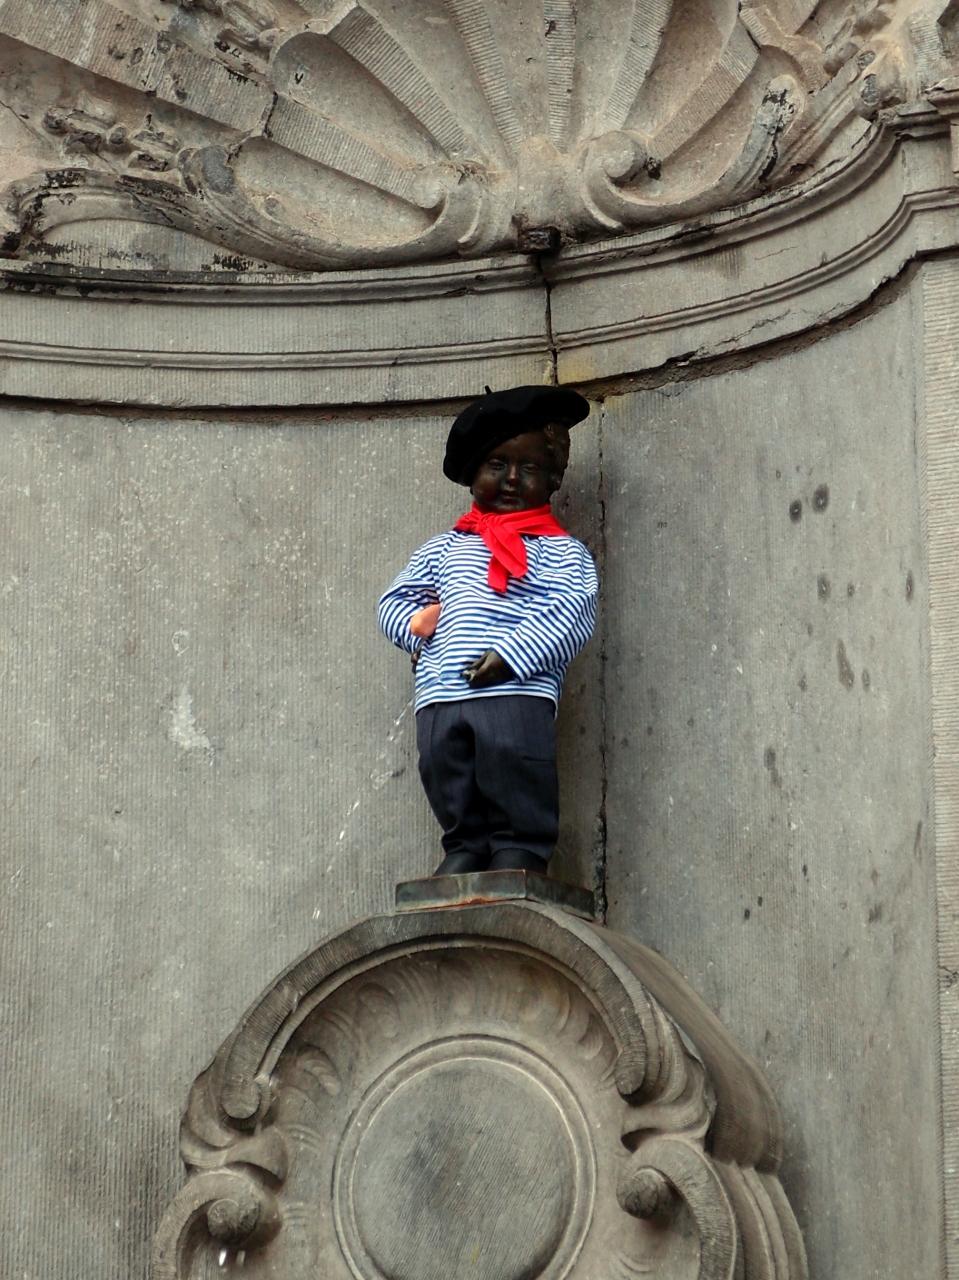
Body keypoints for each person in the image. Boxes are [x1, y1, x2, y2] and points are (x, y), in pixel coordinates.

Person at [377, 385, 598, 877]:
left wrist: (512, 655)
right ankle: (465, 846)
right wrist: (416, 629)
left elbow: (572, 612)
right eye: (497, 465)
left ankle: (520, 847)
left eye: (530, 468)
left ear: (554, 477)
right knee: (444, 765)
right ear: (472, 471)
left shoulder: (561, 552)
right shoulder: (444, 548)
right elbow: (392, 602)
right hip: (441, 689)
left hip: (516, 688)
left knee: (515, 761)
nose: (512, 479)